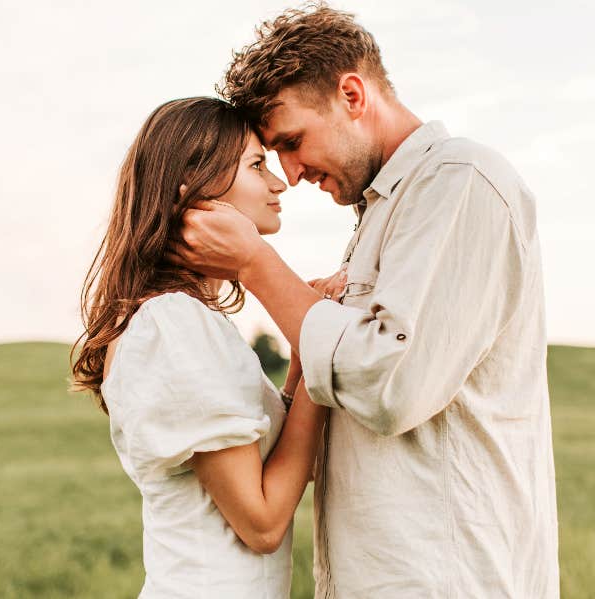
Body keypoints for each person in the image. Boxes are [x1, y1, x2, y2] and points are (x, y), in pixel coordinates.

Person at [169, 5, 560, 597]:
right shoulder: (384, 213)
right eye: (273, 156)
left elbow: (390, 384)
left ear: (352, 94)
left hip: (451, 579)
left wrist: (254, 262)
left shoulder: (459, 181)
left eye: (293, 142)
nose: (291, 174)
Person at [70, 96, 342, 598]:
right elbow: (261, 523)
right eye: (257, 165)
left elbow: (269, 463)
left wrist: (305, 361)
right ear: (195, 193)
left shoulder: (184, 320)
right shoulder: (171, 323)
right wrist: (328, 364)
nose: (278, 182)